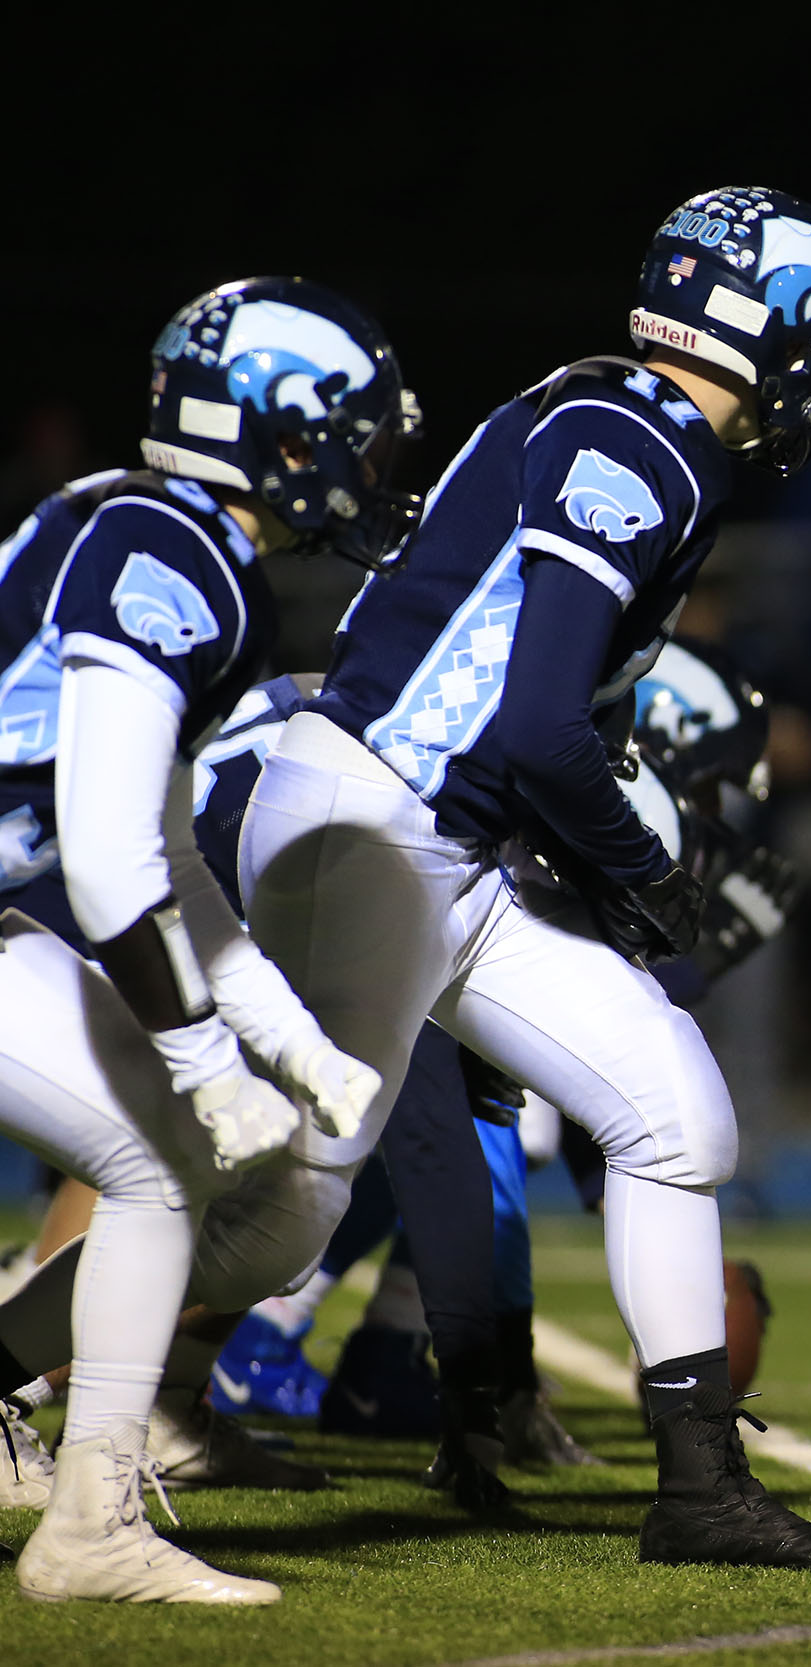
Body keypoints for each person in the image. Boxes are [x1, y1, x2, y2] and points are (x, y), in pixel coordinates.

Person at [0, 188, 811, 1575]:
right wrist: (642, 870)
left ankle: (700, 1483)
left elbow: (536, 721)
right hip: (372, 828)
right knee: (283, 1209)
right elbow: (535, 721)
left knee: (672, 1109)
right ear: (778, 328)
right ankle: (11, 1359)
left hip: (448, 844)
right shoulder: (631, 439)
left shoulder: (622, 422)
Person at [0, 278, 417, 1603]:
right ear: (280, 434)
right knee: (164, 1156)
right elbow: (112, 857)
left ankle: (90, 1519)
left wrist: (290, 1046)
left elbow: (168, 860)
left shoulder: (166, 531)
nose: (365, 460)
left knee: (158, 1167)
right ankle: (88, 1527)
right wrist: (203, 1062)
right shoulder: (168, 551)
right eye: (349, 428)